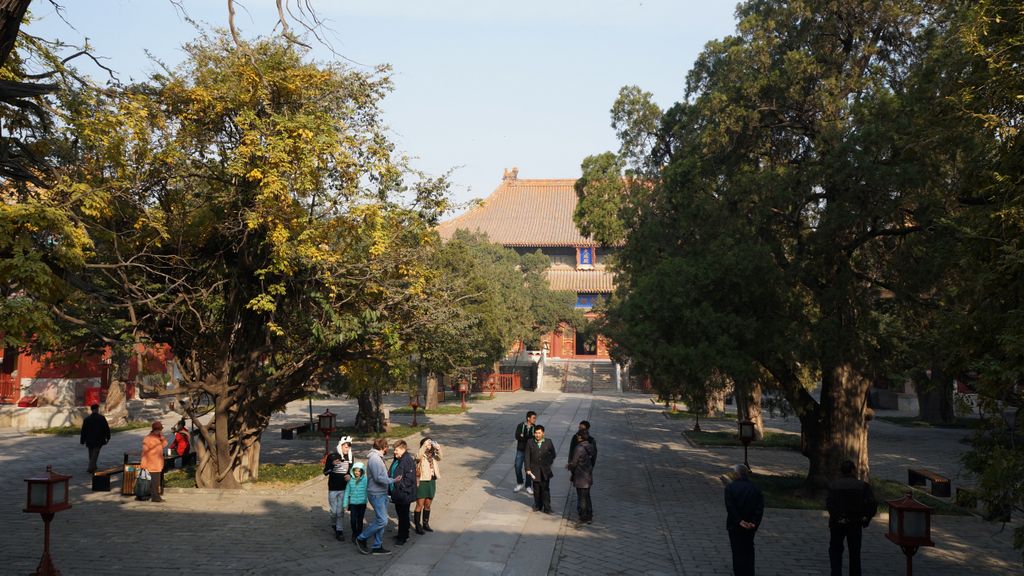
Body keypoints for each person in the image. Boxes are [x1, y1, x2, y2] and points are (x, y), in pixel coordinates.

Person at [827, 460, 877, 576]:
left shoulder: (833, 486)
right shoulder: (862, 486)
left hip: (837, 523)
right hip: (855, 523)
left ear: (841, 471)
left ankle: (836, 573)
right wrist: (866, 518)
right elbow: (872, 504)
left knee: (835, 550)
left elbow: (830, 505)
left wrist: (837, 517)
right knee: (855, 553)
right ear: (853, 470)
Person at [355, 437, 403, 556]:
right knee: (382, 520)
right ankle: (361, 538)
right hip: (376, 494)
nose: (388, 449)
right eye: (387, 447)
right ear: (383, 447)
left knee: (379, 519)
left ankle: (377, 545)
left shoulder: (378, 457)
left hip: (381, 493)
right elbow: (378, 478)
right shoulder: (375, 459)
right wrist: (392, 480)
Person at [724, 464, 764, 576]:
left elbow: (730, 507)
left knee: (737, 550)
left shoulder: (730, 488)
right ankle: (749, 572)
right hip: (751, 526)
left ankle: (739, 572)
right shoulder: (755, 488)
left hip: (735, 525)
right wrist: (754, 522)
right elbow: (759, 508)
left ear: (737, 474)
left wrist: (739, 521)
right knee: (749, 549)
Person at [323, 436, 354, 541]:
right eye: (345, 447)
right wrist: (332, 465)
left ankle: (339, 531)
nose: (347, 449)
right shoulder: (332, 456)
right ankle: (333, 524)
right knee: (334, 512)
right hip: (333, 488)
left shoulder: (350, 458)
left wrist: (350, 475)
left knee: (340, 511)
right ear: (340, 446)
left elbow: (352, 471)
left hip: (343, 488)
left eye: (349, 447)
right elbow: (325, 472)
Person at [388, 439, 418, 546]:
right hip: (397, 492)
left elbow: (409, 479)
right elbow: (391, 472)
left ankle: (403, 537)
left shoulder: (407, 460)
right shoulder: (398, 459)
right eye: (394, 450)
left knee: (403, 515)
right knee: (401, 514)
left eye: (396, 450)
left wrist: (399, 486)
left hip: (404, 493)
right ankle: (404, 533)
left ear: (403, 449)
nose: (394, 452)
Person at [524, 424, 556, 513]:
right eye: (536, 433)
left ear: (543, 433)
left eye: (539, 433)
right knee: (537, 489)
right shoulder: (530, 442)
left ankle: (547, 507)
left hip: (545, 470)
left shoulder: (548, 442)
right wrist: (527, 469)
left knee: (545, 489)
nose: (537, 435)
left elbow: (553, 454)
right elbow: (527, 456)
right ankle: (537, 505)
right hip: (534, 471)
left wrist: (548, 463)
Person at [414, 436, 442, 535]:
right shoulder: (420, 454)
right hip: (422, 482)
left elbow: (440, 458)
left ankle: (426, 524)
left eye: (430, 444)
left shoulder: (433, 454)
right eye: (427, 444)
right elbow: (417, 457)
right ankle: (418, 526)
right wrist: (424, 446)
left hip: (431, 481)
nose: (429, 445)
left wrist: (438, 448)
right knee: (419, 505)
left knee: (428, 504)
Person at [567, 429, 595, 527]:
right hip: (588, 475)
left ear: (580, 437)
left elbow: (574, 463)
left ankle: (583, 517)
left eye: (578, 436)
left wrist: (569, 466)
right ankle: (590, 515)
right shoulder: (590, 446)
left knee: (582, 498)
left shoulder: (578, 448)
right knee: (587, 496)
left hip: (580, 476)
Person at [140, 421, 168, 503]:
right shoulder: (148, 438)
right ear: (156, 430)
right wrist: (143, 463)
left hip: (157, 462)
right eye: (160, 430)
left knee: (155, 481)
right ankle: (155, 497)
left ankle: (154, 496)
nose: (161, 431)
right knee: (154, 482)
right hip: (152, 462)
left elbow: (165, 444)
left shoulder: (157, 437)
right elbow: (144, 452)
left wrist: (162, 437)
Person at [80, 404, 111, 473]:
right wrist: (108, 437)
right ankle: (91, 467)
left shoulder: (87, 419)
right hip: (98, 439)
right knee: (95, 453)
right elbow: (106, 428)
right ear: (97, 409)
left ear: (91, 410)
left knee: (91, 453)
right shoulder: (101, 418)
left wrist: (82, 440)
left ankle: (93, 466)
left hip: (89, 440)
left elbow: (83, 431)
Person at [343, 462, 368, 543]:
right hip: (353, 503)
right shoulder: (350, 480)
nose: (357, 472)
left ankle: (359, 534)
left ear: (362, 471)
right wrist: (345, 504)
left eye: (359, 471)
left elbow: (369, 490)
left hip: (362, 503)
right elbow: (347, 492)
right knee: (353, 520)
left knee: (360, 520)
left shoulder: (365, 480)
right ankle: (354, 533)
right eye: (355, 471)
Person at [514, 411, 537, 494]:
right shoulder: (520, 426)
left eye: (535, 418)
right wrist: (528, 438)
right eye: (533, 418)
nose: (535, 419)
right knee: (517, 466)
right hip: (520, 450)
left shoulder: (534, 427)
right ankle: (520, 482)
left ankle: (528, 486)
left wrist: (523, 436)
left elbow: (534, 439)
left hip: (530, 451)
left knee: (528, 469)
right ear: (528, 418)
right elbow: (517, 436)